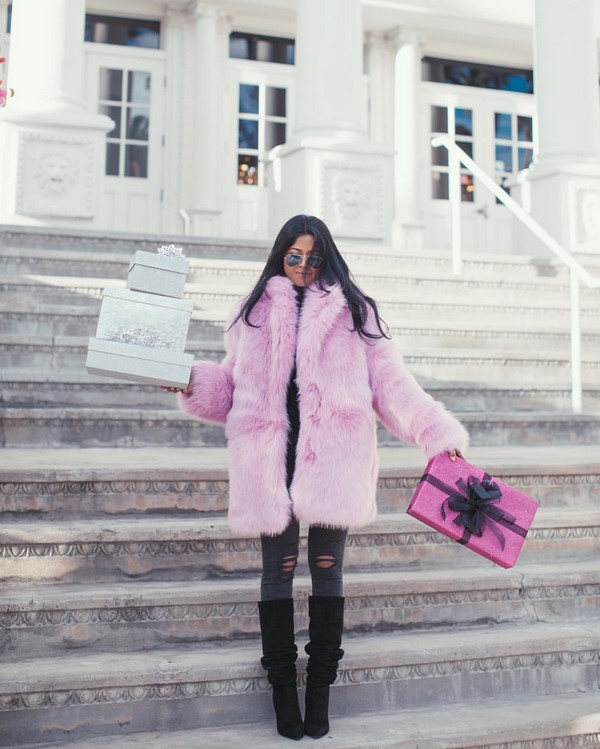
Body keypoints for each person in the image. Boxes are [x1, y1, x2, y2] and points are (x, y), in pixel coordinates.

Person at [165, 215, 468, 741]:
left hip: (332, 460)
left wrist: (435, 433)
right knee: (277, 571)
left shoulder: (355, 312)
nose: (303, 266)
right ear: (280, 256)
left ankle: (320, 694)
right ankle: (284, 694)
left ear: (327, 258)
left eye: (313, 257)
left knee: (328, 570)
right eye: (294, 256)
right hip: (270, 458)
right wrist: (189, 381)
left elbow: (393, 386)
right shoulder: (252, 311)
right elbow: (232, 388)